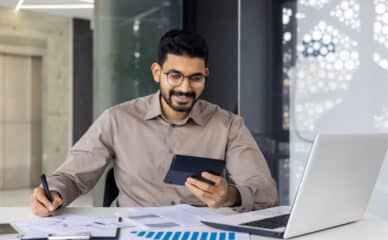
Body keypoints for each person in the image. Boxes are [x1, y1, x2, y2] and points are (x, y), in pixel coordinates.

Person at [30, 30, 278, 217]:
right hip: (131, 230)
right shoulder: (118, 119)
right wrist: (53, 192)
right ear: (157, 73)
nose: (185, 88)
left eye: (195, 78)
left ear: (206, 76)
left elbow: (265, 192)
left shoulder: (228, 125)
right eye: (175, 76)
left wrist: (231, 196)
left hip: (200, 231)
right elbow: (73, 176)